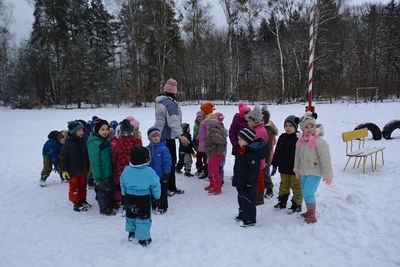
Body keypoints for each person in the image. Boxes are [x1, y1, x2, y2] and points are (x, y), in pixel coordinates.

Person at [294, 111, 333, 224]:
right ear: (302, 128)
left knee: (308, 192)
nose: (309, 129)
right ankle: (309, 211)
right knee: (304, 191)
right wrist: (296, 169)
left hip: (315, 172)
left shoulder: (320, 142)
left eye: (312, 126)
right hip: (304, 171)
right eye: (306, 127)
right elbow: (297, 157)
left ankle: (312, 215)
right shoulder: (300, 141)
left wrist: (328, 175)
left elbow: (325, 159)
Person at [120, 146, 161, 247]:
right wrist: (157, 196)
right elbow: (156, 185)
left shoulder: (126, 169)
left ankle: (131, 233)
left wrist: (124, 193)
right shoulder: (149, 171)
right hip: (143, 198)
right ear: (146, 159)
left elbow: (122, 182)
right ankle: (143, 238)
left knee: (131, 215)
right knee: (143, 218)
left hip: (129, 197)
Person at [154, 78, 188, 195]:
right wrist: (181, 135)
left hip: (159, 136)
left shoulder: (160, 101)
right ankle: (169, 187)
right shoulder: (170, 103)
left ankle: (168, 187)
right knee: (170, 162)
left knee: (163, 162)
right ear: (173, 92)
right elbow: (173, 121)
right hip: (167, 138)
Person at [232, 127, 266, 227]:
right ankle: (242, 213)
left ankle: (250, 218)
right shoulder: (243, 150)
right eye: (238, 139)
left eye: (241, 139)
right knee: (241, 197)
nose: (239, 141)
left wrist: (249, 183)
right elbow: (238, 167)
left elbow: (253, 171)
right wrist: (236, 179)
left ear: (247, 140)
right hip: (241, 180)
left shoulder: (252, 154)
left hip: (248, 183)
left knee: (248, 200)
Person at [271, 115, 303, 213]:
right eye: (286, 125)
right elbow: (277, 152)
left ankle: (297, 203)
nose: (288, 128)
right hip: (284, 168)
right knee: (284, 185)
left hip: (295, 169)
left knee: (296, 186)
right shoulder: (282, 137)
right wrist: (275, 165)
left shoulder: (299, 138)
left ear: (295, 127)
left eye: (290, 126)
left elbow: (304, 153)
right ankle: (282, 201)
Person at [59, 120, 91, 212]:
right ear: (73, 132)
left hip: (83, 170)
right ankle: (76, 203)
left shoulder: (84, 141)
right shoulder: (68, 143)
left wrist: (89, 167)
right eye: (79, 131)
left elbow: (87, 155)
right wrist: (64, 170)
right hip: (72, 171)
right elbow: (63, 157)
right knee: (74, 187)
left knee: (83, 186)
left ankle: (82, 200)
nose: (82, 132)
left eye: (82, 130)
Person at [87, 119, 116, 216]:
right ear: (96, 131)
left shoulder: (105, 141)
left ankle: (111, 205)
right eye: (102, 129)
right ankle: (104, 209)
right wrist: (97, 175)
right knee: (103, 192)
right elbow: (94, 161)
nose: (105, 132)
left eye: (107, 129)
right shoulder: (94, 143)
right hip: (101, 174)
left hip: (109, 171)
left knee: (110, 189)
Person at [112, 119, 143, 207]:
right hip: (135, 169)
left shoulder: (118, 144)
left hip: (122, 171)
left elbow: (114, 158)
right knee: (134, 187)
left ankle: (125, 205)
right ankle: (135, 203)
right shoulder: (137, 142)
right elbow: (141, 154)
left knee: (124, 188)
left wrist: (114, 167)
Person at [246, 106, 268, 206]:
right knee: (255, 178)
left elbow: (256, 146)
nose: (248, 123)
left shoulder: (259, 131)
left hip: (257, 160)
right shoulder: (256, 129)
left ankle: (259, 198)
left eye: (249, 121)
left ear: (255, 121)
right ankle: (256, 195)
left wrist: (246, 144)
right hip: (255, 160)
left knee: (259, 179)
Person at [147, 127, 172, 213]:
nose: (156, 137)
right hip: (151, 176)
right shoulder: (147, 149)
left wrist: (167, 173)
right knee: (152, 190)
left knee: (162, 191)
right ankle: (154, 204)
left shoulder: (163, 149)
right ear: (150, 138)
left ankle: (162, 206)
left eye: (157, 135)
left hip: (161, 176)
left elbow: (167, 162)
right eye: (153, 136)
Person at [204, 113, 227, 195]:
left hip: (216, 154)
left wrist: (219, 152)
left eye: (207, 123)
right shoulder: (211, 129)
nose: (205, 125)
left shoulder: (214, 130)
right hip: (212, 153)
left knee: (214, 171)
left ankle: (217, 188)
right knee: (210, 169)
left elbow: (222, 141)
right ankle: (212, 184)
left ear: (210, 123)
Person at [261, 105, 279, 198]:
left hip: (266, 156)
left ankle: (269, 188)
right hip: (263, 155)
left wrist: (268, 160)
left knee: (266, 172)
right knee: (263, 171)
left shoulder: (267, 130)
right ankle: (264, 185)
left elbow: (270, 145)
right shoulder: (264, 128)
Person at [197, 101, 215, 179]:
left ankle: (208, 173)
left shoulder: (207, 121)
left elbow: (208, 134)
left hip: (206, 144)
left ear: (206, 112)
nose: (201, 112)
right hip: (203, 143)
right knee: (206, 159)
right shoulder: (204, 120)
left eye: (202, 111)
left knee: (207, 159)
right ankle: (207, 172)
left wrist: (201, 137)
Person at [192, 111, 203, 175]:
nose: (199, 118)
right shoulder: (196, 124)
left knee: (204, 158)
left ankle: (205, 168)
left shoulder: (204, 124)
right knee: (198, 158)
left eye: (200, 116)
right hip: (197, 144)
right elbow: (194, 134)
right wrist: (194, 141)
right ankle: (199, 169)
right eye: (198, 117)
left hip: (203, 145)